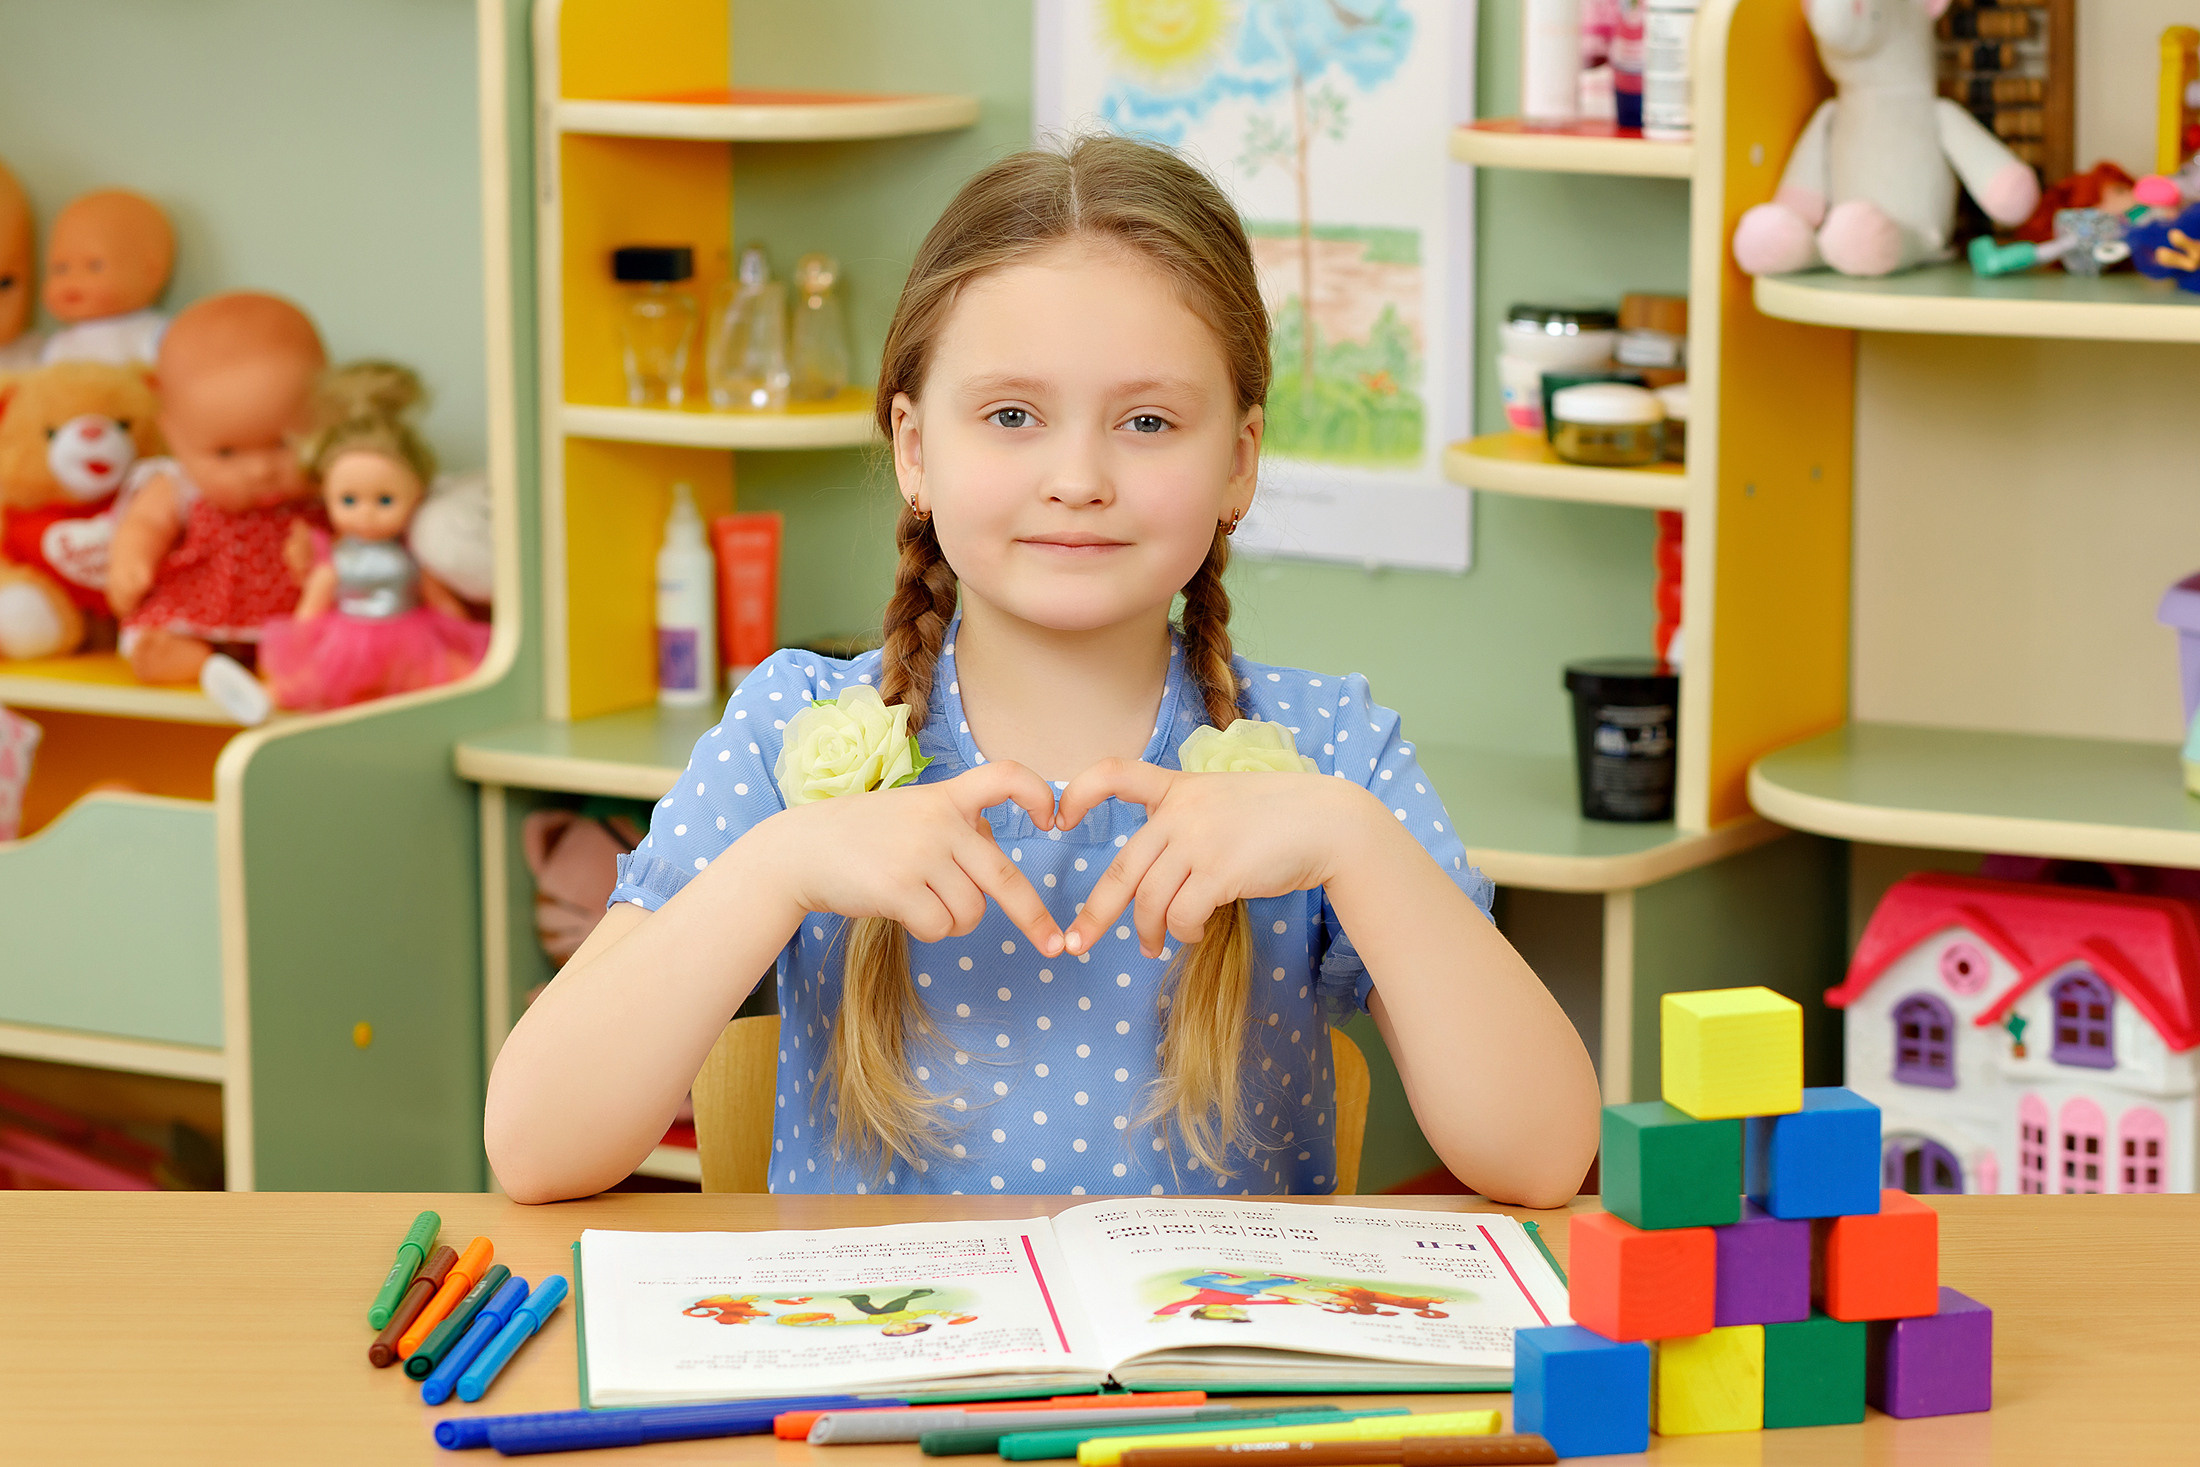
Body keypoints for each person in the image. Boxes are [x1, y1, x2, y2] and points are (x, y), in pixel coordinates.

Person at [486, 134, 1599, 1206]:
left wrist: (1352, 843)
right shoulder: (792, 729)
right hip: (888, 1394)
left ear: (1239, 464)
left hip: (1199, 1396)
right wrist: (776, 868)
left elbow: (1543, 1158)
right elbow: (536, 1146)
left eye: (1149, 421)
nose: (1078, 476)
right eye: (1012, 415)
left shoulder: (1332, 754)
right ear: (916, 449)